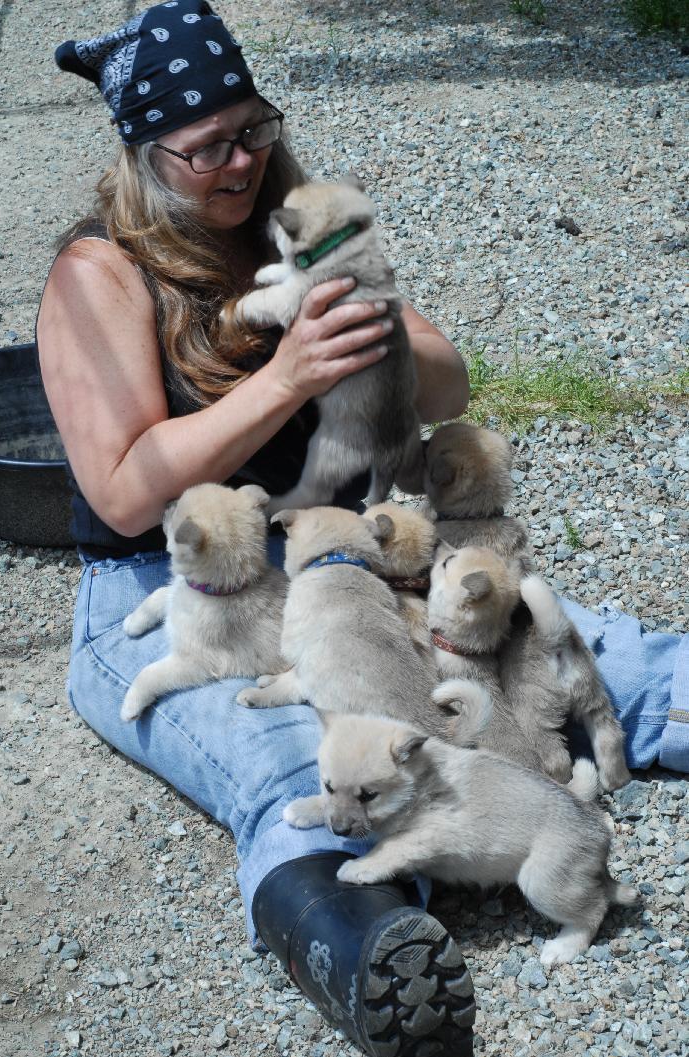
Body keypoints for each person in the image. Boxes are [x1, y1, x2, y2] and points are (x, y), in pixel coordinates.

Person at [37, 2, 687, 1054]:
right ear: (142, 153)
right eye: (204, 149)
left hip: (341, 553)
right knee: (308, 765)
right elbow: (120, 488)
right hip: (173, 596)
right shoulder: (97, 273)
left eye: (252, 129)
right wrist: (287, 376)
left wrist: (381, 326)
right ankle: (371, 953)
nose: (239, 163)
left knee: (574, 654)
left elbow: (451, 383)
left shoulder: (303, 214)